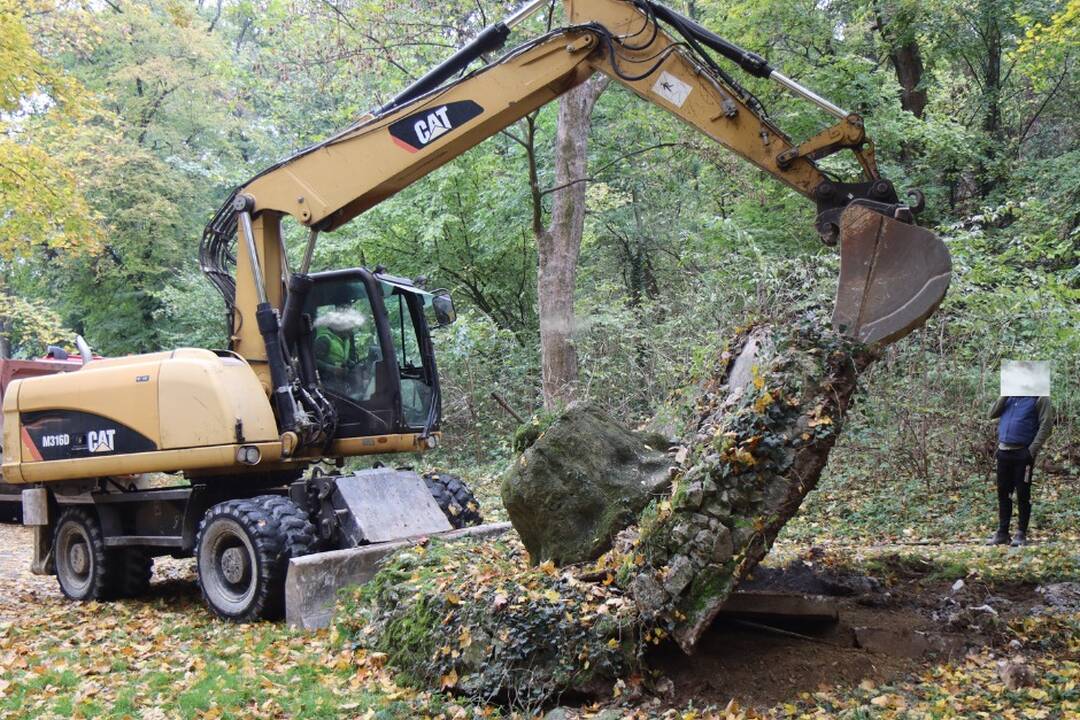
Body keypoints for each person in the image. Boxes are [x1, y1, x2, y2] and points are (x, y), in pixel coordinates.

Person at [987, 395, 1054, 546]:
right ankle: (1003, 533)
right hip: (1004, 451)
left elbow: (1046, 425)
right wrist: (1004, 395)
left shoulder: (1039, 397)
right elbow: (991, 414)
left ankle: (1021, 533)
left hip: (1023, 453)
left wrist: (1032, 450)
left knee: (1023, 493)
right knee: (1003, 493)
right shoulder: (1009, 396)